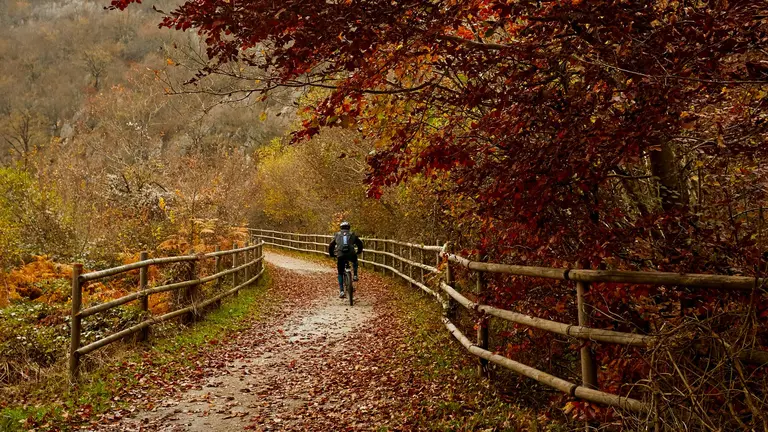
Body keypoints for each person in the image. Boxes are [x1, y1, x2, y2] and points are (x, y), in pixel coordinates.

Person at [328, 221, 364, 298]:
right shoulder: (352, 234)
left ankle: (341, 291)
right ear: (349, 228)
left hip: (340, 254)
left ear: (341, 228)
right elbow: (360, 243)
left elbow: (331, 245)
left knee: (340, 272)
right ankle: (355, 275)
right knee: (354, 260)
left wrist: (332, 254)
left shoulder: (337, 235)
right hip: (351, 253)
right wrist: (359, 251)